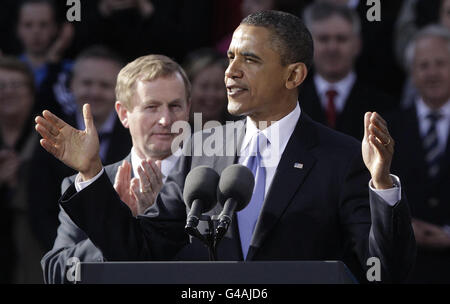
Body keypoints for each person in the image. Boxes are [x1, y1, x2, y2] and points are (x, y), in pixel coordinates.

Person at [35, 11, 416, 283]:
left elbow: (383, 270)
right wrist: (90, 173)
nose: (230, 71)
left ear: (293, 74)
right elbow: (141, 250)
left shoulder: (341, 156)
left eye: (249, 59)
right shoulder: (201, 147)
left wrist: (382, 185)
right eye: (231, 57)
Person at [40, 54, 191, 283]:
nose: (165, 120)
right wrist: (118, 227)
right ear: (123, 114)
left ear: (188, 110)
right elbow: (57, 271)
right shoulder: (86, 186)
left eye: (175, 106)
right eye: (151, 107)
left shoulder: (210, 180)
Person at [28, 46, 132, 251]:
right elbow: (39, 210)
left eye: (104, 85)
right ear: (71, 85)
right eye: (86, 83)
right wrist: (69, 258)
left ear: (119, 92)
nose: (94, 92)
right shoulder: (49, 133)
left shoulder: (135, 137)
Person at [387, 25, 450, 283]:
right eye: (423, 65)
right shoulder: (387, 127)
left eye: (441, 63)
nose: (432, 73)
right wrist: (403, 226)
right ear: (412, 73)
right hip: (407, 270)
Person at [300, 2, 394, 140]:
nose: (332, 48)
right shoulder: (289, 103)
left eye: (341, 39)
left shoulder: (386, 108)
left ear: (357, 44)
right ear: (308, 45)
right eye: (323, 39)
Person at [0, 56, 43, 283]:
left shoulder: (51, 139)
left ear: (31, 93)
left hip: (34, 248)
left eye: (16, 85)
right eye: (1, 86)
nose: (8, 92)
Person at [183, 48, 237, 127]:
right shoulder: (175, 130)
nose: (211, 94)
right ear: (188, 88)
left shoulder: (240, 130)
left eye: (218, 87)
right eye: (204, 86)